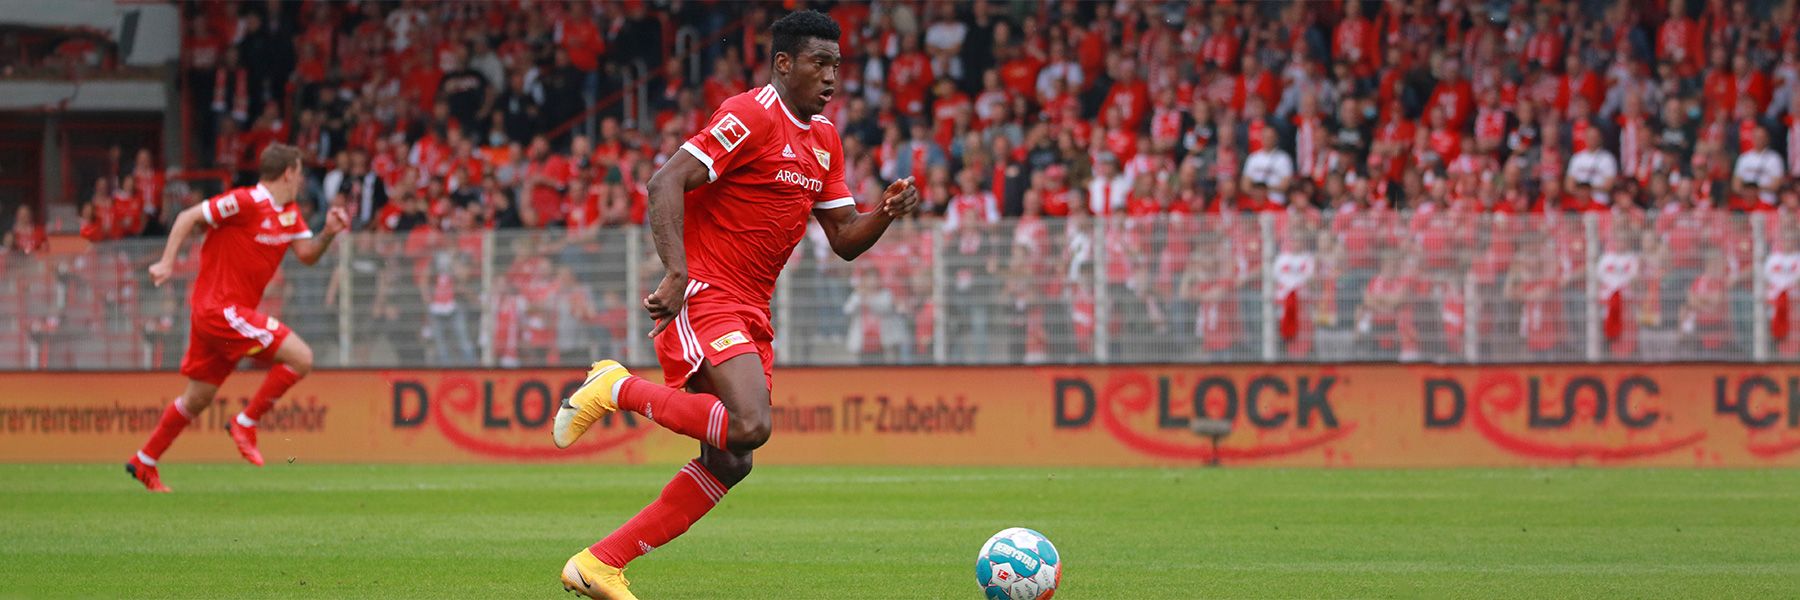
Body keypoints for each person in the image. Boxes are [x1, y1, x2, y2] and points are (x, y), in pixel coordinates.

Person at [550, 11, 919, 599]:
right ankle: (615, 387)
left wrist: (886, 213)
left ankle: (598, 564)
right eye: (818, 63)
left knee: (730, 461)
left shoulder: (824, 141)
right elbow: (665, 181)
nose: (830, 77)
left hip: (752, 307)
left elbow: (845, 237)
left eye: (836, 66)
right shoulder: (750, 114)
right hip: (708, 294)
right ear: (783, 63)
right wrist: (676, 270)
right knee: (750, 426)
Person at [124, 144, 350, 492]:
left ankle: (145, 461)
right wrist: (168, 261)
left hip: (223, 317)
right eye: (300, 172)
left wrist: (329, 233)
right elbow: (188, 217)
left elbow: (306, 254)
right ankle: (246, 422)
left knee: (197, 398)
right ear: (289, 172)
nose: (302, 179)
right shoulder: (246, 202)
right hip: (220, 310)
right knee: (301, 357)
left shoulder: (290, 214)